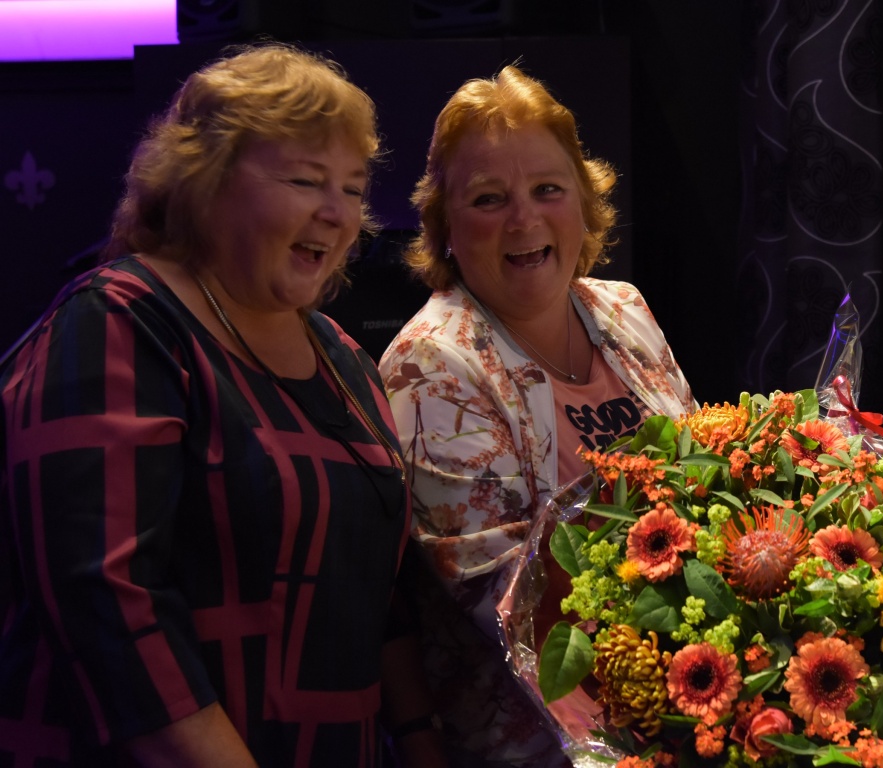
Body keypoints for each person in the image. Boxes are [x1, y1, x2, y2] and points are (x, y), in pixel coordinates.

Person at [0, 43, 445, 767]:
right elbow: (106, 607)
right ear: (203, 180)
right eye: (306, 180)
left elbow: (373, 591)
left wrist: (423, 741)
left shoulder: (346, 361)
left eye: (353, 188)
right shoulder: (121, 321)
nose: (337, 213)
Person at [378, 65, 696, 766]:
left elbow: (706, 483)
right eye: (489, 199)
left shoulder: (624, 308)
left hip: (685, 701)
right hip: (547, 742)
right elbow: (515, 608)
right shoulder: (430, 365)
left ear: (584, 200)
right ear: (445, 225)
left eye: (548, 189)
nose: (524, 220)